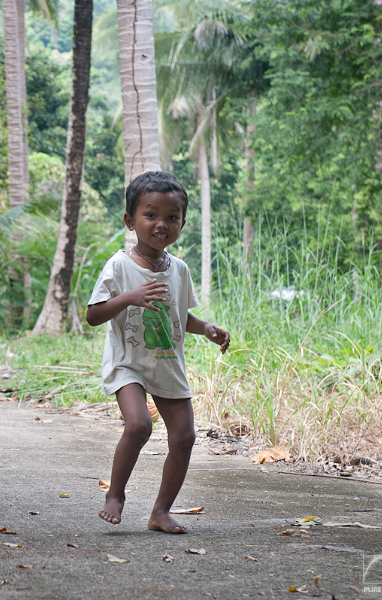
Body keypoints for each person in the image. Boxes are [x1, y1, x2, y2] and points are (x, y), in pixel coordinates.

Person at [86, 171, 230, 534]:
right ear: (130, 221)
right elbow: (93, 315)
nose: (161, 224)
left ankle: (161, 512)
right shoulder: (119, 265)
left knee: (184, 437)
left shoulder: (178, 270)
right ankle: (115, 495)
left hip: (167, 363)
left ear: (183, 222)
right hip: (128, 363)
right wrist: (129, 297)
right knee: (138, 424)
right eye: (150, 215)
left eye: (171, 216)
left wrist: (207, 329)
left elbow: (181, 314)